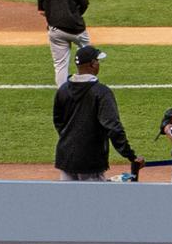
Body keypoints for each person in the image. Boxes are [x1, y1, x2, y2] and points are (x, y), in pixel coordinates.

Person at [53, 45, 139, 182]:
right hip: (90, 160)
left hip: (65, 157)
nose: (99, 64)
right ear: (92, 64)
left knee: (67, 200)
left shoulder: (63, 90)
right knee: (93, 201)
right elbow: (113, 126)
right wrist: (131, 155)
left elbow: (58, 121)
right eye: (97, 61)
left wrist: (69, 139)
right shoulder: (101, 92)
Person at [37, 0, 92, 88]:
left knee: (60, 64)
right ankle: (90, 85)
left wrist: (55, 16)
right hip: (76, 29)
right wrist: (74, 15)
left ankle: (63, 93)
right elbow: (84, 3)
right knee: (89, 56)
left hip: (55, 30)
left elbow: (41, 11)